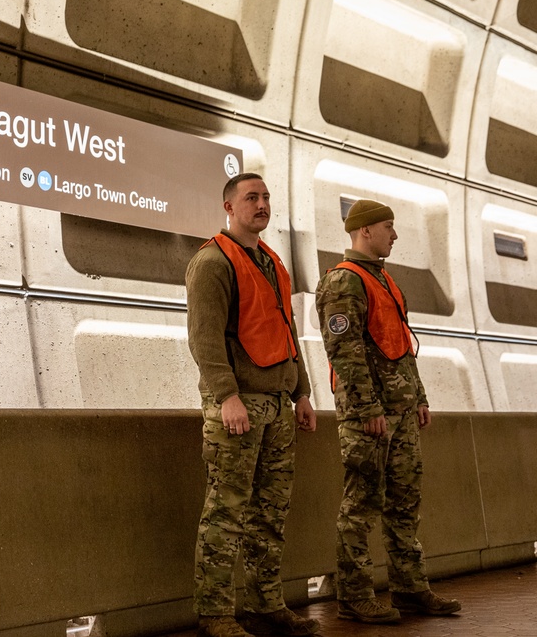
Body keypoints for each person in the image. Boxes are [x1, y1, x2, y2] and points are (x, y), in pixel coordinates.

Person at [185, 173, 320, 637]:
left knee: (270, 513)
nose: (261, 204)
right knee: (227, 511)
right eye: (251, 198)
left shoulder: (272, 262)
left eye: (265, 198)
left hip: (279, 405)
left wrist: (302, 392)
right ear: (228, 206)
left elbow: (287, 334)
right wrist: (226, 397)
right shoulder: (212, 261)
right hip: (239, 407)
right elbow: (204, 339)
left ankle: (266, 605)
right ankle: (217, 615)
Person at [315, 199, 461, 624]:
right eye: (388, 227)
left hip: (400, 411)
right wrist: (366, 408)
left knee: (404, 502)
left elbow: (401, 349)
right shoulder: (344, 282)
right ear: (364, 232)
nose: (394, 235)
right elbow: (344, 352)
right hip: (370, 416)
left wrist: (419, 398)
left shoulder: (383, 280)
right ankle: (354, 596)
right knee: (361, 503)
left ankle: (410, 589)